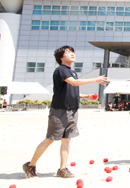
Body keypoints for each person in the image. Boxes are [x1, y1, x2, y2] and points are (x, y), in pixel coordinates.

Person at [22, 45, 109, 178]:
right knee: (50, 139)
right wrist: (95, 79)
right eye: (68, 52)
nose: (72, 54)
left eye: (73, 51)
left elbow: (72, 90)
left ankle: (62, 168)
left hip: (72, 110)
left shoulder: (72, 72)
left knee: (66, 140)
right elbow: (74, 83)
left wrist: (87, 97)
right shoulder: (61, 70)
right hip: (59, 111)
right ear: (61, 58)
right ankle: (30, 165)